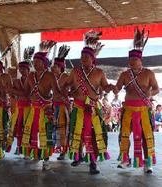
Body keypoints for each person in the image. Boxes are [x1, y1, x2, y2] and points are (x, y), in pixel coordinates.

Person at [63, 30, 111, 174]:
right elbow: (67, 85)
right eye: (82, 56)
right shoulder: (74, 72)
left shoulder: (100, 73)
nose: (83, 58)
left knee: (96, 135)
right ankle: (78, 156)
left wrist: (113, 87)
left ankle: (93, 162)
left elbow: (105, 87)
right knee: (77, 133)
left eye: (86, 56)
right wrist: (66, 90)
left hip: (93, 109)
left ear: (92, 58)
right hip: (78, 107)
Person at [113, 28, 159, 173]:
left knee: (146, 136)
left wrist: (150, 92)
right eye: (130, 59)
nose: (132, 61)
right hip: (128, 110)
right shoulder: (124, 74)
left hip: (143, 109)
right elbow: (117, 88)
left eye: (135, 59)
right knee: (125, 135)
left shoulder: (148, 73)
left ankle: (147, 161)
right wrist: (111, 88)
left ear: (141, 60)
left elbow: (157, 89)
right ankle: (125, 159)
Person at [17, 49, 62, 170]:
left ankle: (46, 159)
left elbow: (57, 92)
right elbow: (25, 92)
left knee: (46, 134)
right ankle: (35, 154)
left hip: (45, 109)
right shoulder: (31, 76)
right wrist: (12, 90)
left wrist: (63, 93)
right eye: (34, 60)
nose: (35, 63)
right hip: (33, 109)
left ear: (44, 63)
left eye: (37, 61)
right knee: (32, 133)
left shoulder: (50, 75)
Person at [6, 60, 31, 157]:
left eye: (23, 68)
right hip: (19, 107)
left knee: (28, 128)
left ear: (28, 69)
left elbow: (27, 93)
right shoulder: (16, 81)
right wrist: (10, 91)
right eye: (20, 68)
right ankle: (21, 149)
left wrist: (13, 90)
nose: (21, 70)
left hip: (29, 107)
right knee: (18, 128)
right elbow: (13, 95)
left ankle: (28, 150)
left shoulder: (32, 80)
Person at [50, 45, 71, 160]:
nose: (53, 68)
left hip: (63, 107)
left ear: (60, 67)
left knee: (63, 129)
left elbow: (73, 89)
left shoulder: (66, 77)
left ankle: (64, 151)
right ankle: (55, 148)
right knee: (55, 128)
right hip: (54, 106)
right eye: (52, 66)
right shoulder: (51, 77)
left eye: (55, 66)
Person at [0, 60, 12, 149]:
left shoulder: (6, 76)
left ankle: (2, 143)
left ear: (0, 68)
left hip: (3, 104)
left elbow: (10, 89)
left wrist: (4, 92)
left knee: (3, 124)